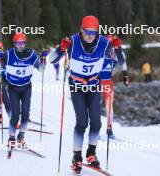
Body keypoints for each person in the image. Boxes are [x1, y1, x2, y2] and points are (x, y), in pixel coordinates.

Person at [49, 15, 128, 173]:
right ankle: (76, 156)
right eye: (87, 32)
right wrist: (60, 49)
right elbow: (52, 60)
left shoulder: (104, 43)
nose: (90, 35)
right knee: (82, 122)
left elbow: (119, 61)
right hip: (77, 86)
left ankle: (91, 153)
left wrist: (118, 49)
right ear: (81, 30)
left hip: (94, 85)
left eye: (93, 32)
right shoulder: (73, 42)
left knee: (97, 123)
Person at [0, 32, 42, 146]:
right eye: (18, 43)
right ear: (14, 43)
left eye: (23, 43)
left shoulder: (31, 54)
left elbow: (42, 69)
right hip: (13, 88)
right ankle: (11, 137)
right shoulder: (8, 54)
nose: (21, 45)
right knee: (15, 114)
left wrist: (42, 59)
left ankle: (21, 135)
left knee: (25, 114)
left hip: (26, 88)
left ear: (25, 43)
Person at [100, 34, 129, 139]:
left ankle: (109, 130)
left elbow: (123, 62)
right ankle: (94, 130)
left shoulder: (117, 53)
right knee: (95, 107)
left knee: (109, 109)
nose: (111, 46)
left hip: (108, 82)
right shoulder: (99, 50)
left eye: (113, 44)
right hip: (96, 82)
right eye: (110, 44)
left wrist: (125, 75)